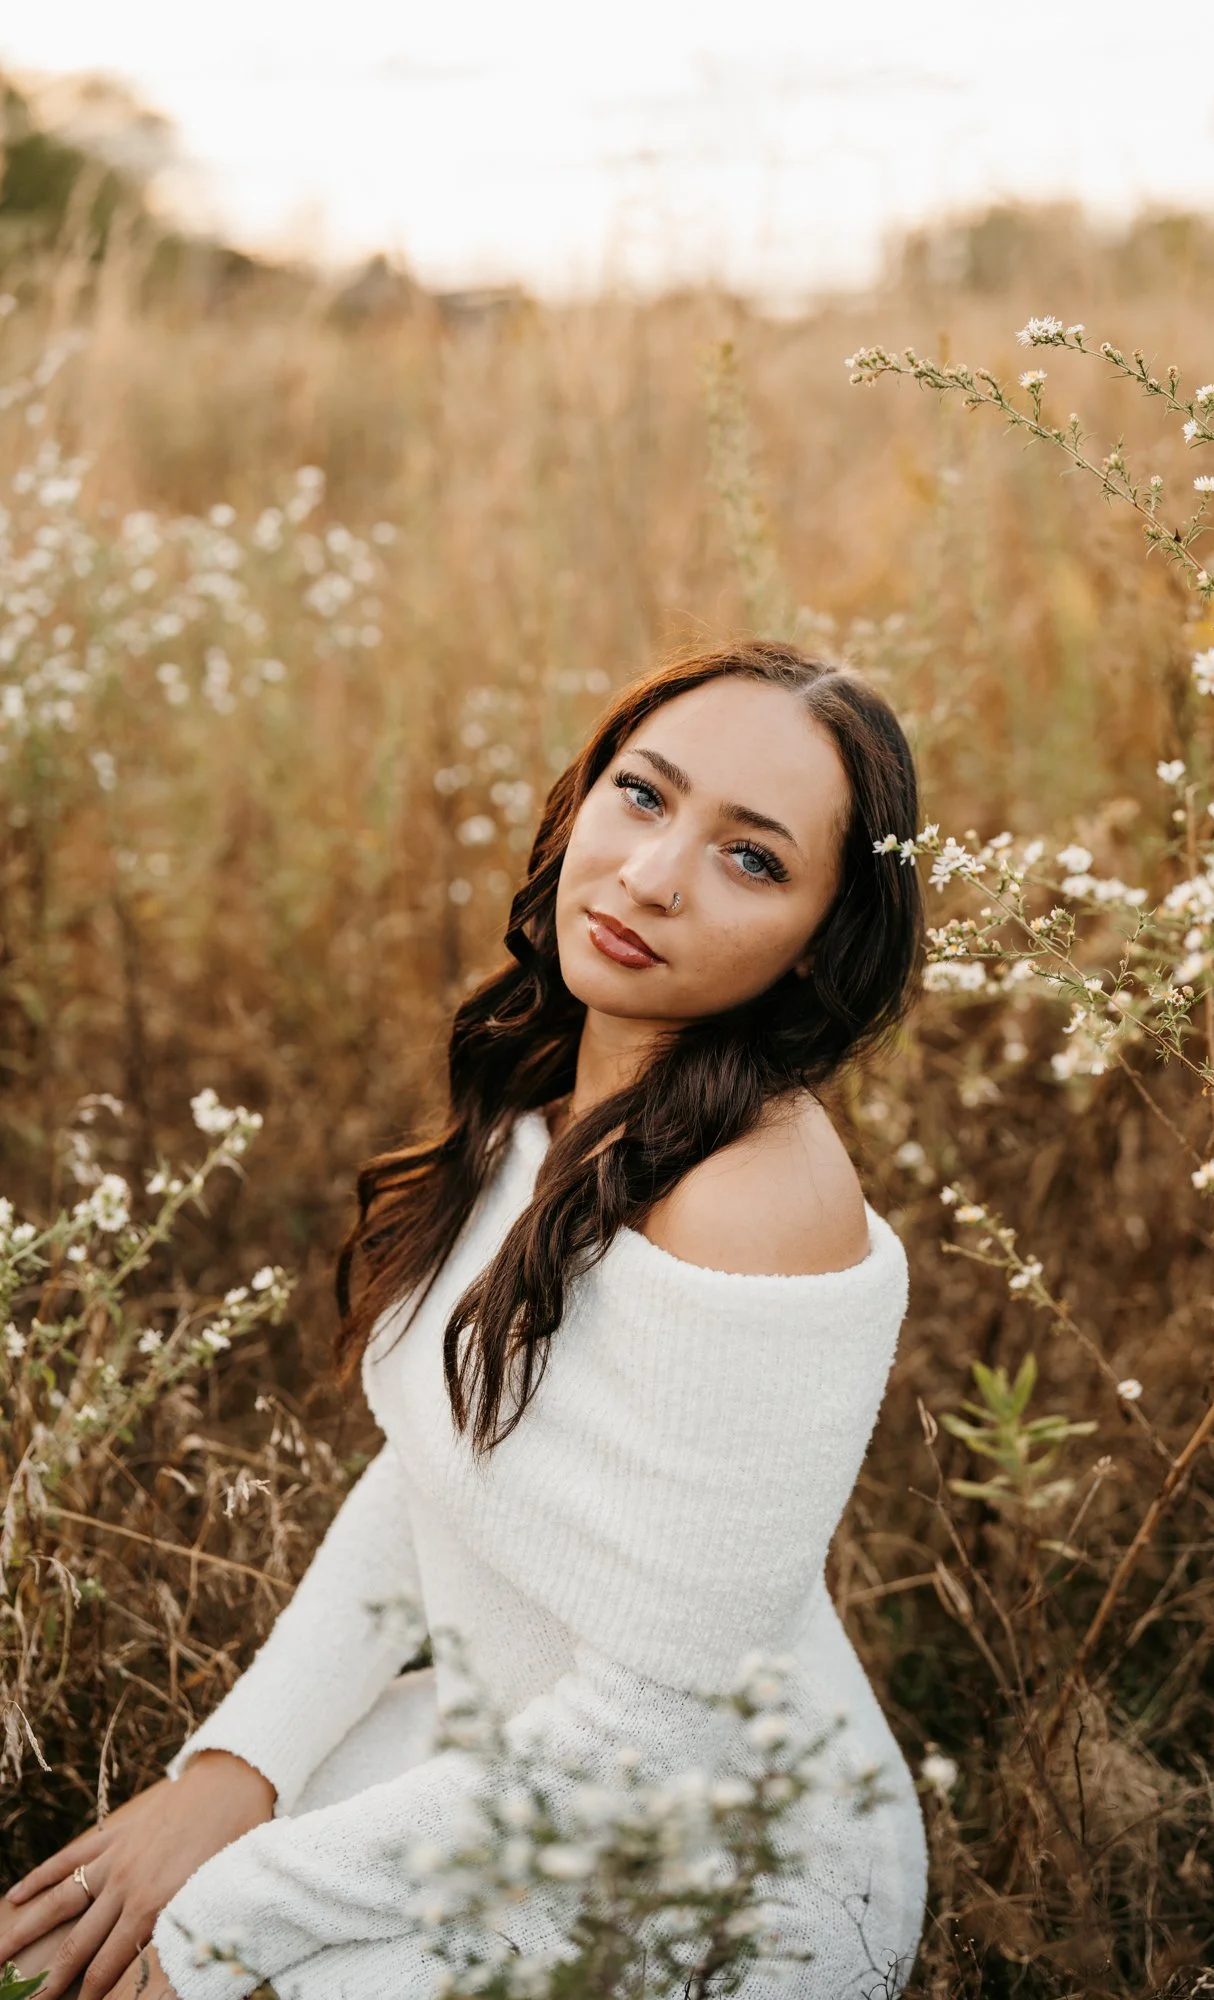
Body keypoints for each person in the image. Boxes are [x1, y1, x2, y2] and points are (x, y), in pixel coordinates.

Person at [2, 640, 929, 2000]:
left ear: (818, 946)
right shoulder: (538, 1111)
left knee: (179, 1962)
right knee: (65, 1947)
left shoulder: (758, 1200)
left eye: (753, 859)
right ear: (578, 805)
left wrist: (230, 1914)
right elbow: (439, 1479)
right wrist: (233, 1771)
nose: (651, 875)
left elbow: (663, 1731)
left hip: (718, 1870)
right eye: (644, 795)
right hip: (506, 1751)